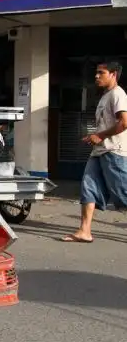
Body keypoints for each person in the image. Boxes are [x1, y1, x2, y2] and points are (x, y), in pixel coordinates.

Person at [61, 62, 127, 243]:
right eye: (96, 73)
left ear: (113, 74)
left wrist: (100, 136)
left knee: (123, 193)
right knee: (88, 188)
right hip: (99, 152)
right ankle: (85, 231)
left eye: (101, 73)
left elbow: (124, 122)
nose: (96, 76)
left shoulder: (118, 94)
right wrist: (94, 137)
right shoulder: (106, 96)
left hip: (114, 151)